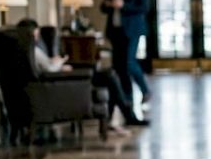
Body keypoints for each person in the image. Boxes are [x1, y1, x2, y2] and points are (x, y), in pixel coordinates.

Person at [17, 19, 145, 133]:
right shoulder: (33, 50)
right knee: (109, 76)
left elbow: (45, 67)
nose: (38, 36)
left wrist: (57, 63)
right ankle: (126, 114)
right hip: (63, 81)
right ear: (32, 32)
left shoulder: (28, 50)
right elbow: (49, 69)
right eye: (37, 33)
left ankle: (119, 116)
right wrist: (59, 63)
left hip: (62, 78)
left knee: (109, 76)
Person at [100, 0, 152, 104]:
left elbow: (144, 8)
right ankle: (126, 97)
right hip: (115, 31)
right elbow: (102, 8)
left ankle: (145, 90)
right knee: (119, 66)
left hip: (131, 31)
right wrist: (108, 4)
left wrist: (124, 5)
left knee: (129, 62)